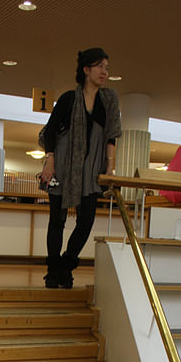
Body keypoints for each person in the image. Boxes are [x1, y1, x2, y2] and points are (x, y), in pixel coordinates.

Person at [39, 47, 122, 288]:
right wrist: (50, 160)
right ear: (86, 70)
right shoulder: (68, 99)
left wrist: (110, 169)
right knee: (57, 220)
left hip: (92, 168)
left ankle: (66, 264)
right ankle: (54, 271)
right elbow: (51, 131)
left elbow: (111, 137)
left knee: (86, 221)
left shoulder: (109, 100)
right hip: (63, 164)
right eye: (99, 66)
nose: (104, 71)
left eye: (106, 67)